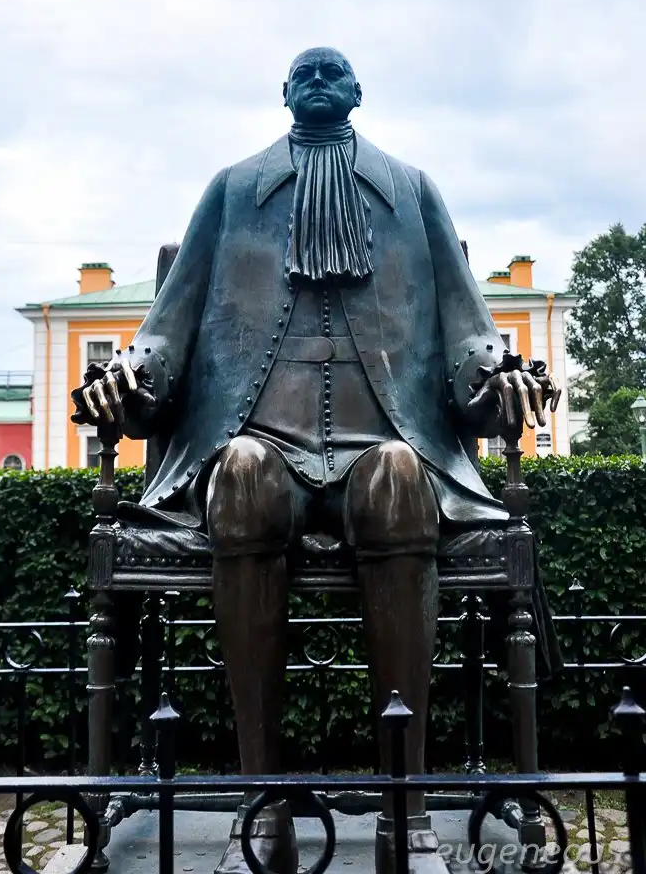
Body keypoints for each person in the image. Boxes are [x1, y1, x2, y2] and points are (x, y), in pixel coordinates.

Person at [72, 47, 560, 874]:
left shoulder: (411, 190)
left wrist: (499, 376)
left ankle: (404, 805)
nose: (320, 80)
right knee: (239, 477)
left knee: (399, 481)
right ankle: (263, 801)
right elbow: (166, 329)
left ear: (359, 92)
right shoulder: (232, 190)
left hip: (387, 442)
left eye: (335, 72)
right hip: (259, 441)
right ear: (283, 92)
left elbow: (467, 328)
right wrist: (128, 377)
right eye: (306, 71)